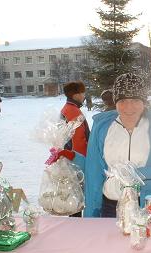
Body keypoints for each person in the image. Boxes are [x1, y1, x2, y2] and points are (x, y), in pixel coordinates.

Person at [58, 73, 151, 217]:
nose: (129, 107)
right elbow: (94, 169)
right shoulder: (102, 128)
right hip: (110, 208)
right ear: (115, 101)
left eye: (135, 100)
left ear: (143, 102)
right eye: (123, 100)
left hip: (148, 206)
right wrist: (72, 157)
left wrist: (140, 176)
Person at [61, 81, 90, 217]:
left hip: (72, 156)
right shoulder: (73, 111)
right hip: (77, 158)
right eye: (82, 92)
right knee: (77, 193)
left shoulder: (68, 108)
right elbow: (78, 139)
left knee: (74, 193)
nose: (84, 95)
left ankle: (74, 221)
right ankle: (76, 224)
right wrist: (85, 157)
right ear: (76, 94)